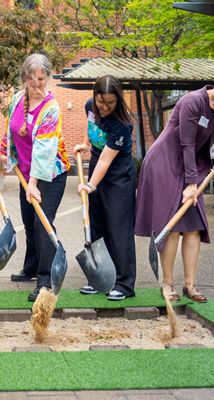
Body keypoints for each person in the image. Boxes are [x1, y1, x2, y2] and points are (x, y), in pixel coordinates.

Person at [136, 69, 214, 303]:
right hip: (165, 162)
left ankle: (190, 285)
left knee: (194, 226)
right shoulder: (192, 101)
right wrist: (190, 184)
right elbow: (186, 143)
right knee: (174, 224)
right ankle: (167, 284)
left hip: (190, 165)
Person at [0, 54, 69, 302]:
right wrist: (6, 154)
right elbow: (10, 128)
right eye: (31, 80)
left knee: (43, 223)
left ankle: (45, 281)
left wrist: (33, 184)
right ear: (24, 80)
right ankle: (31, 267)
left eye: (41, 79)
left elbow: (44, 151)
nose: (37, 84)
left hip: (50, 174)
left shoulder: (51, 108)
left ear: (48, 78)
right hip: (26, 172)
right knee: (29, 222)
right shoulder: (18, 99)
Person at [74, 75, 137, 301]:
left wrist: (91, 184)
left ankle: (124, 283)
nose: (105, 107)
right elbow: (92, 125)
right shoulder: (91, 106)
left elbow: (105, 161)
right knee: (97, 223)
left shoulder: (122, 123)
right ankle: (100, 278)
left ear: (118, 99)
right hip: (97, 169)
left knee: (118, 228)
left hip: (119, 173)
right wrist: (85, 143)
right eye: (101, 102)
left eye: (110, 102)